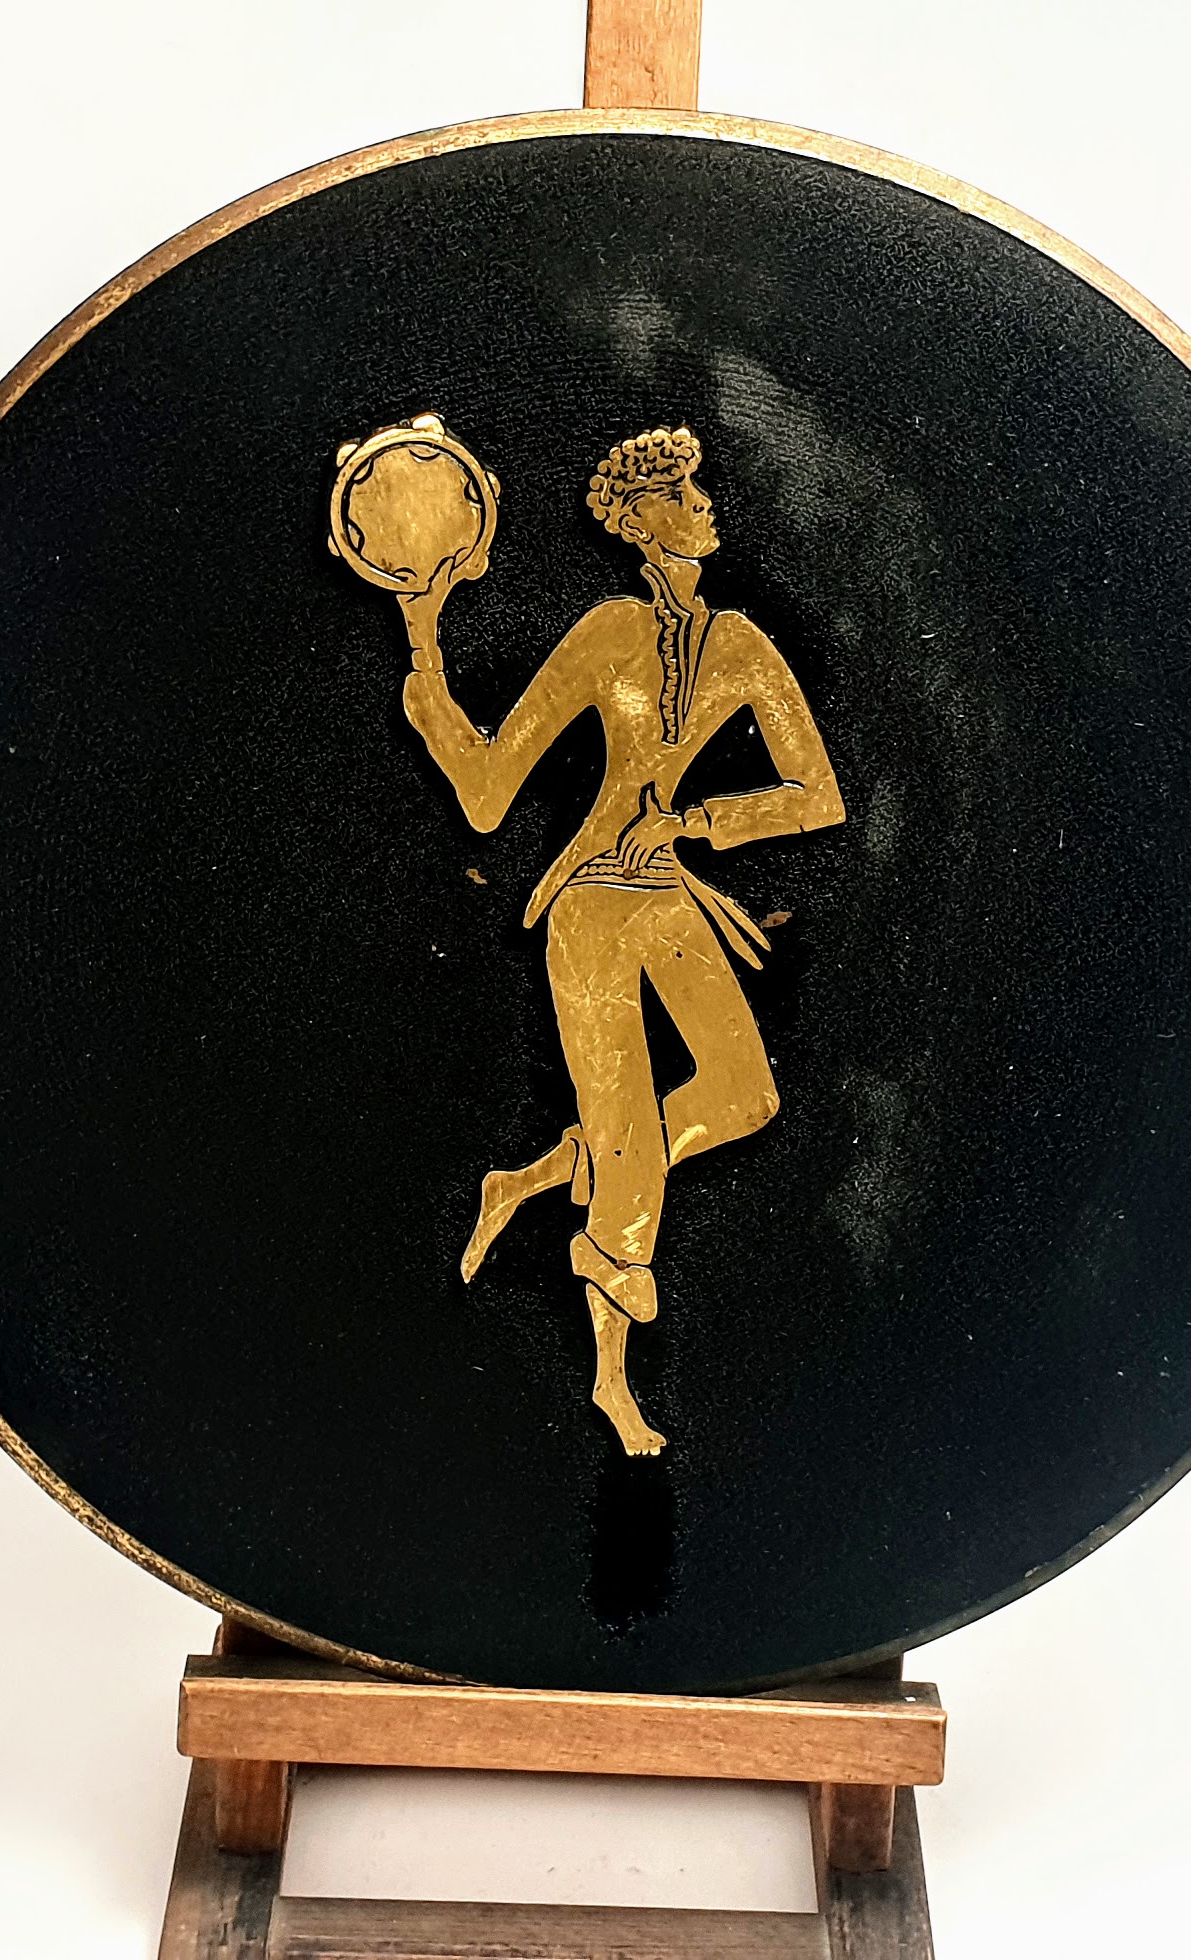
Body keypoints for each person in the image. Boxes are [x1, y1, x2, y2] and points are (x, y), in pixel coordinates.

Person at [395, 426, 845, 1455]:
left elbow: (816, 795)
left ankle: (536, 1175)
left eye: (700, 488)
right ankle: (609, 1381)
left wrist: (695, 821)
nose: (705, 505)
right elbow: (486, 792)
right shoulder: (609, 631)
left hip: (667, 888)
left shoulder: (740, 643)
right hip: (592, 900)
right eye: (683, 494)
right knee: (631, 1137)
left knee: (745, 1096)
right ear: (639, 521)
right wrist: (427, 674)